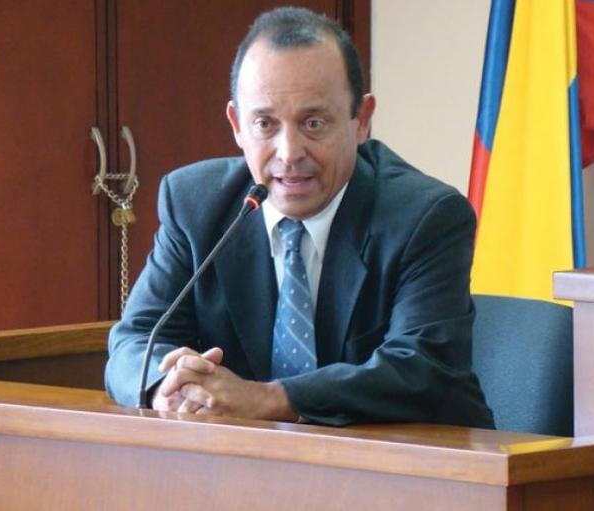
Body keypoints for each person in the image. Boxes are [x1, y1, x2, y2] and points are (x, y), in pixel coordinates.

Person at [105, 6, 494, 428]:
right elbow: (134, 341)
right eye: (265, 124)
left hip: (414, 459)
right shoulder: (197, 204)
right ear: (237, 124)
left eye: (313, 123)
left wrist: (269, 399)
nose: (289, 153)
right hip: (243, 462)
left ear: (361, 120)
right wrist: (167, 386)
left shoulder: (425, 217)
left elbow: (420, 370)